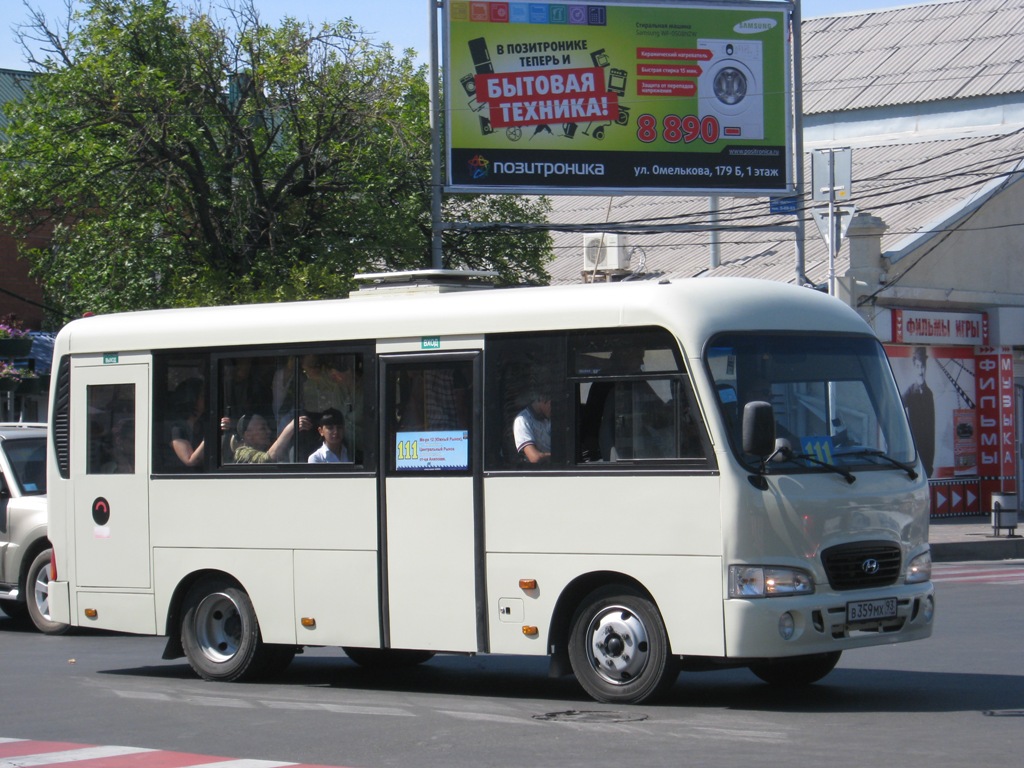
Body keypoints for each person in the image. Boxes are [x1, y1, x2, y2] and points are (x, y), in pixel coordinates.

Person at [902, 346, 935, 477]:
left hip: (927, 452)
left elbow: (932, 429)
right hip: (914, 451)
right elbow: (896, 412)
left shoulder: (929, 394)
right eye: (918, 366)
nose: (920, 370)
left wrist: (930, 462)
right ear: (914, 367)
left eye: (923, 367)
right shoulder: (910, 392)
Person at [233, 413, 311, 464]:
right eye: (263, 428)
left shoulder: (268, 447)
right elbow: (266, 459)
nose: (269, 431)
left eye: (268, 427)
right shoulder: (241, 453)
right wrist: (290, 428)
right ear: (248, 435)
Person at [514, 393, 551, 463]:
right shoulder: (522, 420)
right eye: (552, 404)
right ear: (542, 398)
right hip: (538, 471)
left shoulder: (549, 418)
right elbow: (535, 458)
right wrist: (559, 457)